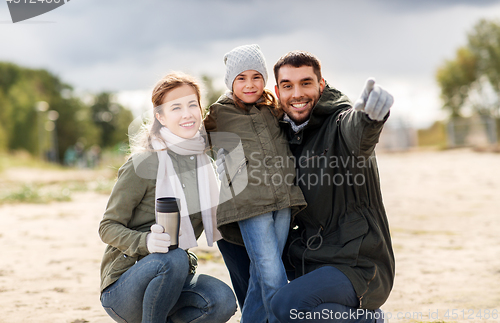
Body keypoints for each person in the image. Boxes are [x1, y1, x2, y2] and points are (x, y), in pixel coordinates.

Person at [217, 50, 395, 323]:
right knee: (232, 238)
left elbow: (357, 133)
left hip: (357, 263)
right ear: (277, 91)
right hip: (310, 257)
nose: (297, 93)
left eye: (306, 83)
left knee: (288, 305)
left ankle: (367, 320)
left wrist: (369, 118)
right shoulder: (284, 133)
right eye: (288, 86)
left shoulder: (339, 123)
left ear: (321, 85)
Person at [98, 72, 237, 323]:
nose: (187, 114)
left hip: (173, 283)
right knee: (173, 256)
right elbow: (107, 227)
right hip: (124, 288)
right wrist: (147, 242)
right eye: (176, 107)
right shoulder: (143, 163)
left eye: (192, 104)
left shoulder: (203, 164)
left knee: (222, 300)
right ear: (160, 117)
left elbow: (223, 223)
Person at [204, 44, 307, 323]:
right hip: (250, 205)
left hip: (284, 199)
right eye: (241, 78)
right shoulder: (218, 114)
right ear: (230, 82)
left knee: (261, 276)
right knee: (273, 276)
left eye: (256, 77)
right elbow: (192, 140)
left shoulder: (273, 108)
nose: (250, 85)